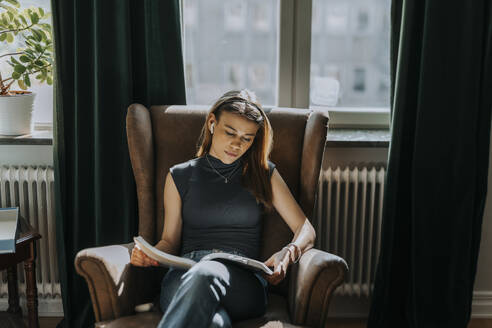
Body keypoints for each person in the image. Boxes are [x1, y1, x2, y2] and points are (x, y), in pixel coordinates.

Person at [130, 89, 316, 328]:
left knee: (206, 272)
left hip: (241, 281)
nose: (237, 144)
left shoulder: (263, 173)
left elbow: (305, 229)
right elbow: (169, 241)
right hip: (185, 274)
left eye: (247, 138)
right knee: (215, 323)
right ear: (211, 123)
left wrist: (288, 252)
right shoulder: (179, 175)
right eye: (230, 132)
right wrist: (150, 255)